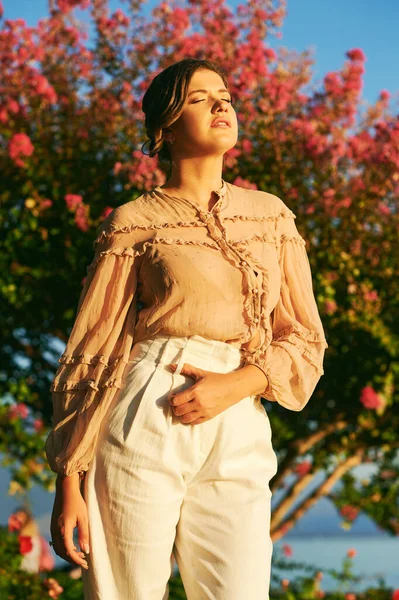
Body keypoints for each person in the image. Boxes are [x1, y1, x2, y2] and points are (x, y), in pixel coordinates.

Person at [45, 58, 328, 599]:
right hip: (145, 409)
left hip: (240, 413)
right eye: (199, 99)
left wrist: (240, 383)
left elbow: (305, 339)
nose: (222, 104)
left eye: (224, 94)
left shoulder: (271, 216)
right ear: (164, 128)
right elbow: (93, 348)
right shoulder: (134, 221)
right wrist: (70, 480)